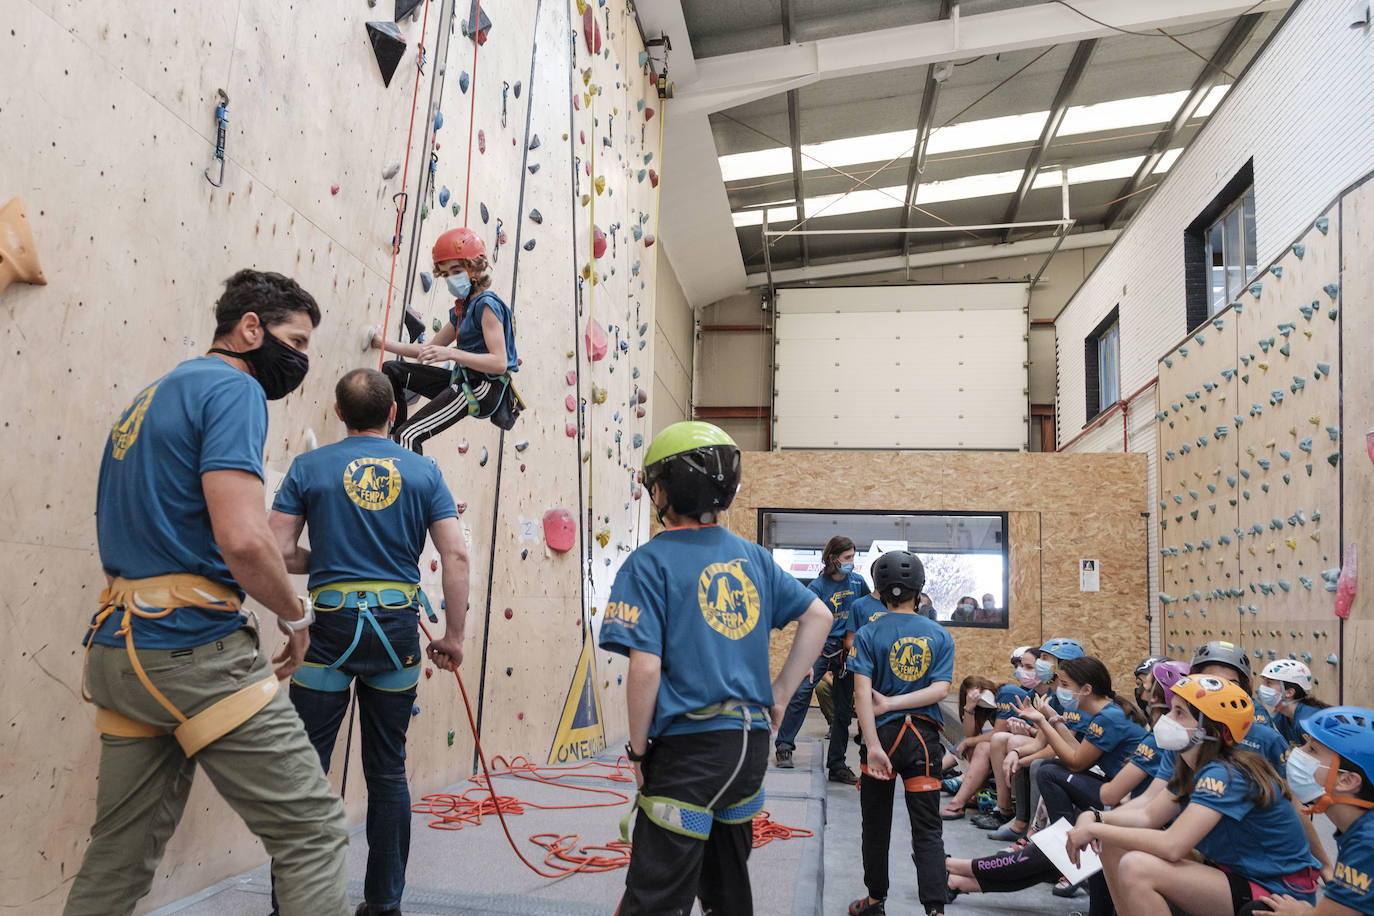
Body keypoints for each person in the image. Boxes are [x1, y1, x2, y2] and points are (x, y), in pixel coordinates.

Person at [66, 270, 349, 916]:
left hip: (119, 647)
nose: (300, 360)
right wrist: (295, 611)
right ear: (250, 329)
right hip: (191, 646)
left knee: (116, 861)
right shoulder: (234, 390)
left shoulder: (149, 398)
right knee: (312, 831)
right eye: (296, 341)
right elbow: (247, 542)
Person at [598, 421, 831, 916]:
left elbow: (645, 670)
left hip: (689, 751)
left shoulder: (648, 563)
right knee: (727, 888)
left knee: (657, 894)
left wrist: (638, 755)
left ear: (661, 490)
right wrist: (781, 693)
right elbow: (819, 616)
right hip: (746, 749)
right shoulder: (755, 558)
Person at [267, 368, 471, 916]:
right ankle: (383, 906)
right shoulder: (425, 471)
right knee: (386, 769)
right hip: (395, 629)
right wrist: (453, 635)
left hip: (329, 629)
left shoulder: (309, 468)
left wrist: (326, 562)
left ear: (338, 414)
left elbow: (277, 550)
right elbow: (455, 556)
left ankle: (295, 905)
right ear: (394, 414)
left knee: (306, 771)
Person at [1067, 674, 1320, 915]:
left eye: (1180, 713)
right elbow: (1147, 815)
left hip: (1277, 891)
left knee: (1137, 868)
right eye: (1171, 710)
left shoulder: (1227, 774)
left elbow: (1172, 846)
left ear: (1209, 729)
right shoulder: (1189, 765)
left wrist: (1095, 829)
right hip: (1235, 873)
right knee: (1115, 842)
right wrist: (1095, 817)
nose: (1168, 719)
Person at [848, 551, 955, 916]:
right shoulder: (939, 635)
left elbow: (862, 694)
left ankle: (875, 901)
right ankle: (935, 910)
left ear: (878, 591)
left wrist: (874, 743)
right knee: (928, 828)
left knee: (875, 826)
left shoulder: (866, 633)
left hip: (882, 737)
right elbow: (940, 690)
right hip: (923, 741)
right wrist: (901, 705)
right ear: (919, 590)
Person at [367, 227, 520, 454]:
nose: (450, 278)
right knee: (392, 371)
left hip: (483, 388)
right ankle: (394, 443)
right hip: (464, 380)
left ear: (475, 268)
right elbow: (426, 350)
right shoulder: (463, 310)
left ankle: (405, 462)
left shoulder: (487, 306)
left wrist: (452, 353)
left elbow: (499, 362)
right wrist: (382, 343)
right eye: (446, 274)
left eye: (457, 270)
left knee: (409, 436)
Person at [1258, 705, 1374, 916]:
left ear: (1347, 780)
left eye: (1312, 750)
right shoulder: (1359, 827)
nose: (1296, 753)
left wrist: (1302, 913)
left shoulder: (1368, 842)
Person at [774, 536, 870, 782]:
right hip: (820, 647)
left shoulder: (858, 583)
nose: (852, 562)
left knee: (843, 709)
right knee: (801, 694)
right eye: (848, 558)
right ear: (833, 558)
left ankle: (836, 764)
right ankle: (784, 746)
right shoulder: (817, 587)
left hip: (847, 650)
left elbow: (869, 607)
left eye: (853, 557)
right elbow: (807, 621)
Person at [1019, 655, 1147, 827]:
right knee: (1048, 767)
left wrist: (1042, 721)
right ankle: (1058, 835)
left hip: (1129, 797)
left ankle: (1061, 840)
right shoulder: (1107, 711)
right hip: (1115, 785)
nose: (1059, 689)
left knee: (1048, 772)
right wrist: (1053, 718)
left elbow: (1076, 764)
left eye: (1064, 685)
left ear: (1086, 690)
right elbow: (1078, 753)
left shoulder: (1108, 718)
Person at [978, 637, 1085, 840]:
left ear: (1062, 664)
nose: (1039, 664)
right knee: (1008, 743)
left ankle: (1034, 833)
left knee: (1037, 765)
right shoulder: (1053, 696)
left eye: (1044, 658)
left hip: (1084, 764)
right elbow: (1041, 741)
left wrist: (1021, 758)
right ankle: (1008, 813)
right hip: (1067, 754)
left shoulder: (1075, 698)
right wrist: (1017, 753)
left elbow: (1059, 747)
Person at [940, 675, 1000, 820]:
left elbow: (1000, 732)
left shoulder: (1005, 694)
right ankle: (975, 790)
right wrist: (969, 707)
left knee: (978, 745)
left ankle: (959, 796)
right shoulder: (981, 708)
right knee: (971, 743)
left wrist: (968, 742)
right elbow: (970, 734)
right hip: (1002, 742)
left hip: (1016, 741)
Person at [1257, 659, 1324, 747]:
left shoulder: (1308, 721)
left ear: (1289, 692)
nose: (1263, 687)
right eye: (1264, 682)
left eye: (1269, 683)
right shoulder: (1279, 717)